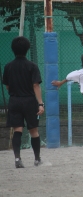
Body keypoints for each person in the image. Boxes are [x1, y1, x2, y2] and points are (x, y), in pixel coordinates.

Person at [3, 36, 45, 168]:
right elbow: (36, 86)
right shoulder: (32, 66)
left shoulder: (8, 66)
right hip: (29, 100)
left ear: (13, 49)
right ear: (27, 49)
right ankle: (37, 159)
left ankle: (17, 159)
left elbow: (8, 86)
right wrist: (40, 103)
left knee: (17, 130)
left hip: (14, 100)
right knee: (33, 130)